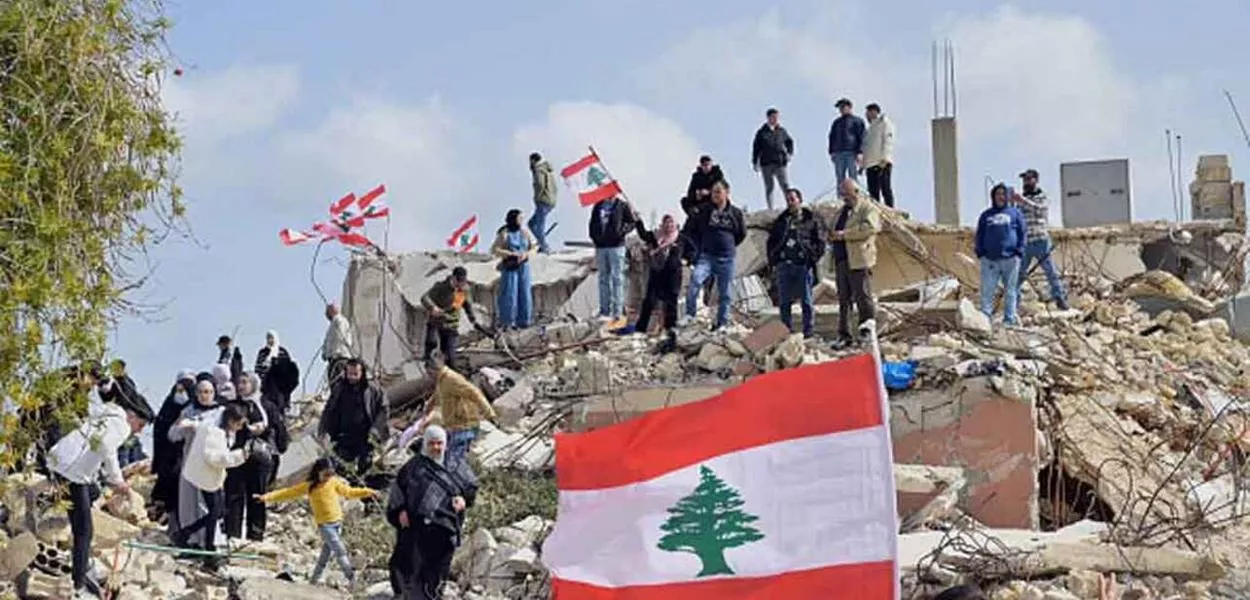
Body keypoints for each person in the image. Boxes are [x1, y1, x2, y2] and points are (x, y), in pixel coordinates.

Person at [47, 402, 149, 598]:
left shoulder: (103, 416)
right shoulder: (120, 425)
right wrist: (117, 480)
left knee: (90, 499)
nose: (137, 431)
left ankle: (81, 574)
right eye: (140, 425)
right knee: (85, 531)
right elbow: (106, 448)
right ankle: (79, 584)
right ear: (132, 417)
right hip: (71, 473)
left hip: (60, 464)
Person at [386, 425, 478, 599]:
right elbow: (398, 492)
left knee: (435, 573)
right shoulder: (413, 467)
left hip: (444, 526)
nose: (436, 448)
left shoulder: (457, 465)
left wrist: (464, 500)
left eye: (439, 443)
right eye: (432, 444)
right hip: (415, 527)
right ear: (425, 444)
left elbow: (471, 489)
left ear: (445, 444)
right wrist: (400, 511)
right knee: (405, 568)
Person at [258, 458, 379, 585]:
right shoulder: (310, 486)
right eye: (326, 474)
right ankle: (352, 579)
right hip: (325, 526)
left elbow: (349, 492)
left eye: (331, 474)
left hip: (338, 523)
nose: (328, 477)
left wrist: (368, 492)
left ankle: (313, 581)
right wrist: (266, 498)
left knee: (324, 557)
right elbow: (288, 492)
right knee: (340, 550)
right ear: (318, 472)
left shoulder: (334, 483)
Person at [173, 404, 249, 567]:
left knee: (217, 512)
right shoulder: (215, 432)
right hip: (206, 477)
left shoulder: (219, 430)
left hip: (209, 477)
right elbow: (214, 458)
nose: (240, 428)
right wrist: (241, 455)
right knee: (215, 513)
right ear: (230, 420)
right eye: (238, 424)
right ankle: (207, 549)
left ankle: (188, 534)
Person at [223, 372, 286, 542]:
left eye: (245, 382)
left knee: (257, 497)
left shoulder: (266, 406)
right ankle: (232, 535)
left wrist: (264, 432)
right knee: (234, 496)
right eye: (239, 382)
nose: (241, 386)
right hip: (237, 457)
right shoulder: (233, 405)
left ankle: (255, 536)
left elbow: (279, 429)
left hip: (260, 459)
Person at [682, 180, 746, 330]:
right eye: (713, 192)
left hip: (727, 258)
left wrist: (729, 245)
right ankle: (690, 316)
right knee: (695, 282)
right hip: (707, 257)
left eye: (718, 191)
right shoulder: (704, 210)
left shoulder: (735, 213)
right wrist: (698, 246)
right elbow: (690, 229)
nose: (715, 195)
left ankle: (722, 323)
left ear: (726, 192)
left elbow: (741, 234)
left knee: (725, 293)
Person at [168, 377, 224, 548]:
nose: (203, 395)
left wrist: (200, 427)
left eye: (207, 392)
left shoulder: (220, 412)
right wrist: (183, 428)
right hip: (190, 462)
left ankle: (209, 542)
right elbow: (172, 435)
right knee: (188, 503)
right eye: (200, 392)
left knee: (210, 507)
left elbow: (225, 435)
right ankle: (190, 541)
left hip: (210, 463)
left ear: (214, 393)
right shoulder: (188, 411)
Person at [413, 356, 496, 465]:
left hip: (465, 425)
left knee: (454, 462)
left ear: (434, 370)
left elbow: (474, 393)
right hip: (453, 426)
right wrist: (428, 409)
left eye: (430, 373)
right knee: (448, 458)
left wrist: (490, 414)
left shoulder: (452, 379)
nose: (429, 377)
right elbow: (438, 394)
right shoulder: (441, 380)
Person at [766, 188, 826, 338]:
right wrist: (774, 259)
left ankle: (808, 331)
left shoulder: (810, 219)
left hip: (802, 265)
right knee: (784, 302)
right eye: (788, 200)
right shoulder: (782, 220)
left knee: (806, 301)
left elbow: (820, 240)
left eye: (792, 199)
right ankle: (786, 331)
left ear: (799, 199)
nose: (790, 202)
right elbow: (772, 241)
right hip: (784, 265)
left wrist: (812, 257)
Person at [318, 359, 389, 483]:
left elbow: (383, 409)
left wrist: (376, 430)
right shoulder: (339, 389)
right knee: (339, 467)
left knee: (366, 468)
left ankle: (365, 494)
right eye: (350, 373)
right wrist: (323, 431)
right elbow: (329, 411)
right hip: (344, 437)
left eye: (355, 374)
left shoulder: (372, 390)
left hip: (366, 438)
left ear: (362, 373)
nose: (352, 377)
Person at [829, 179, 881, 348]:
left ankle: (867, 332)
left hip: (859, 260)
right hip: (842, 260)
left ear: (855, 191)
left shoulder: (867, 208)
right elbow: (833, 228)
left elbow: (870, 228)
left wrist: (845, 234)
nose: (844, 197)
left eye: (847, 193)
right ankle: (844, 335)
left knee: (862, 296)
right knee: (844, 300)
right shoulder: (841, 212)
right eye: (842, 193)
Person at [620, 214, 685, 349]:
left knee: (671, 303)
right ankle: (640, 330)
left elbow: (693, 250)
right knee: (649, 301)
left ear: (675, 225)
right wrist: (638, 220)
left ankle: (670, 329)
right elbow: (643, 234)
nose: (669, 226)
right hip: (657, 274)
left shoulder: (681, 238)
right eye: (666, 223)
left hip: (673, 276)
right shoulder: (656, 237)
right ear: (662, 225)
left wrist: (687, 260)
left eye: (671, 223)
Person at [1013, 168, 1069, 310]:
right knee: (1018, 274)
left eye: (1029, 179)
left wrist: (1022, 200)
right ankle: (1014, 302)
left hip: (1040, 241)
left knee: (1050, 272)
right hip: (1025, 242)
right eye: (1024, 179)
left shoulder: (1042, 196)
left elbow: (1039, 209)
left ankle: (1060, 299)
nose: (1026, 182)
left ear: (1036, 180)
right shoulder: (1020, 200)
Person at [420, 266, 493, 370]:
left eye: (462, 282)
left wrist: (474, 321)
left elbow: (467, 306)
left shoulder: (464, 290)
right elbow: (424, 298)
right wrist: (433, 308)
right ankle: (427, 363)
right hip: (436, 322)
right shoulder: (441, 287)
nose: (460, 284)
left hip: (451, 325)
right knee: (431, 343)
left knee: (450, 357)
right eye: (458, 281)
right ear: (453, 278)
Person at [975, 183, 1027, 326]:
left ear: (1008, 197)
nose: (1001, 197)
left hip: (1010, 259)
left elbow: (1022, 233)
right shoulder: (986, 215)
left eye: (1003, 194)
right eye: (998, 194)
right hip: (990, 261)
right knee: (987, 291)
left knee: (1010, 292)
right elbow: (979, 234)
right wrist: (980, 252)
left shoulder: (1015, 213)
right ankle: (985, 319)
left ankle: (1009, 320)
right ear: (993, 196)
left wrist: (1019, 252)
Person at [151, 370, 195, 523]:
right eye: (180, 385)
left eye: (188, 386)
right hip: (166, 452)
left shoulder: (193, 407)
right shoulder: (169, 403)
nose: (183, 389)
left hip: (183, 453)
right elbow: (160, 428)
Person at [588, 194, 638, 324]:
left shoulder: (621, 205)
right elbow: (592, 223)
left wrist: (620, 232)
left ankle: (617, 311)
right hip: (601, 246)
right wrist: (595, 236)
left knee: (617, 278)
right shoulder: (598, 204)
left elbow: (632, 222)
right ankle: (605, 310)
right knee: (603, 278)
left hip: (616, 246)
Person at [491, 209, 536, 330]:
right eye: (519, 219)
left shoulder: (525, 232)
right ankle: (508, 322)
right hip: (510, 267)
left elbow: (534, 247)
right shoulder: (504, 233)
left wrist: (526, 254)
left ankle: (524, 321)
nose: (521, 221)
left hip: (524, 266)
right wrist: (510, 254)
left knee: (525, 293)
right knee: (510, 293)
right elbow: (495, 249)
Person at [751, 107, 794, 210]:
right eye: (773, 117)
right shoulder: (761, 132)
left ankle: (790, 204)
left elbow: (789, 142)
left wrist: (789, 153)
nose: (775, 119)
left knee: (785, 185)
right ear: (768, 117)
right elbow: (756, 147)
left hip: (780, 162)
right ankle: (770, 208)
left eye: (777, 117)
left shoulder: (781, 131)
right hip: (766, 163)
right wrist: (755, 162)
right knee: (769, 187)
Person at [862, 103, 896, 207]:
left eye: (868, 113)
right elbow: (867, 147)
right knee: (873, 192)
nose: (866, 115)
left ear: (874, 112)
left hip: (881, 162)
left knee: (885, 188)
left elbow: (888, 140)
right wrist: (863, 164)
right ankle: (875, 211)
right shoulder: (870, 129)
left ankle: (890, 209)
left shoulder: (884, 123)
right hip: (870, 164)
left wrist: (885, 157)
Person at [257, 332, 299, 415]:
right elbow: (258, 368)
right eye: (268, 338)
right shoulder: (263, 352)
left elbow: (288, 369)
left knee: (280, 407)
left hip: (280, 387)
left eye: (272, 338)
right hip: (266, 386)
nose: (270, 340)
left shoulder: (282, 351)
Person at [828, 98, 867, 185]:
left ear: (849, 107)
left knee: (853, 176)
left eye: (843, 107)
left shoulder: (857, 121)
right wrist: (831, 152)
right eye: (840, 108)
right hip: (838, 153)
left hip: (852, 152)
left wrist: (860, 152)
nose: (841, 110)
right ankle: (841, 196)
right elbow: (832, 137)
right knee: (840, 177)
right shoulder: (836, 122)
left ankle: (855, 196)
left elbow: (862, 137)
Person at [528, 152, 557, 254]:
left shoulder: (539, 169)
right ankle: (542, 243)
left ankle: (545, 247)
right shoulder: (547, 170)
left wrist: (537, 197)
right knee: (532, 224)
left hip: (543, 200)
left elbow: (540, 184)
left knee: (539, 225)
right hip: (550, 200)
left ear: (533, 160)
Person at [321, 303, 355, 384]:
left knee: (338, 383)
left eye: (327, 312)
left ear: (332, 311)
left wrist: (329, 353)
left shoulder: (339, 320)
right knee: (334, 383)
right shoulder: (334, 323)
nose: (326, 314)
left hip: (339, 359)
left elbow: (339, 338)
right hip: (334, 360)